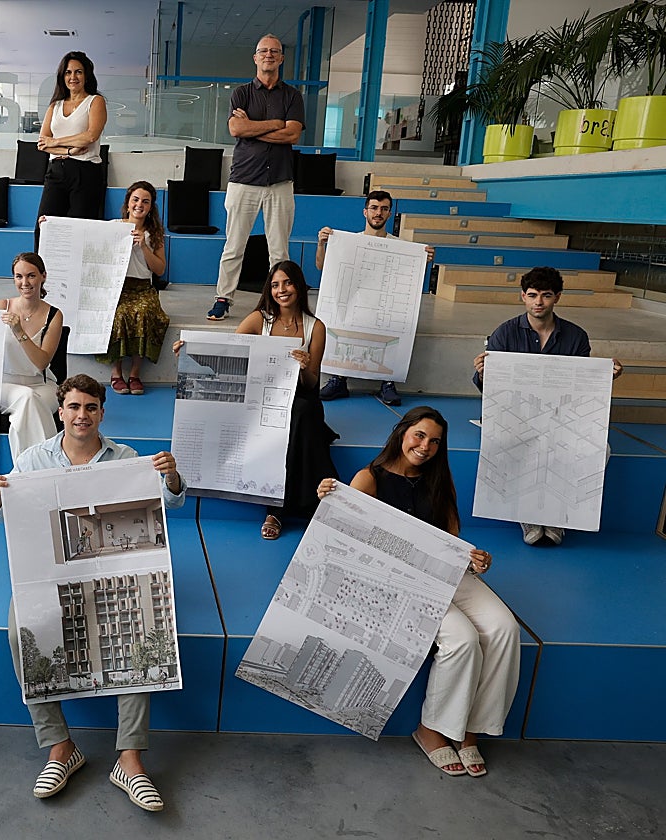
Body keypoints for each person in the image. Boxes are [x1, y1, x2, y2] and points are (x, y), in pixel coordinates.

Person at [0, 373, 187, 811]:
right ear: (61, 411)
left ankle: (129, 759)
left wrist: (170, 478)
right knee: (21, 632)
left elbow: (169, 502)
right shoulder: (34, 459)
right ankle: (59, 746)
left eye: (90, 408)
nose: (82, 415)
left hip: (114, 575)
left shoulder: (127, 457)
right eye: (74, 407)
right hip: (50, 577)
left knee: (144, 630)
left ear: (101, 412)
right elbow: (1, 518)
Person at [317, 406, 520, 778]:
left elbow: (453, 539)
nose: (425, 446)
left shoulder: (438, 480)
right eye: (419, 435)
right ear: (402, 432)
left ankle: (469, 729)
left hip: (446, 573)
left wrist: (475, 559)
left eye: (435, 441)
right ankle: (431, 730)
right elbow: (343, 534)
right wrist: (328, 495)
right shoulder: (369, 478)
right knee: (461, 637)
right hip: (400, 581)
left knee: (505, 628)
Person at [175, 260, 336, 540]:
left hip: (299, 399)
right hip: (261, 398)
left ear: (299, 285)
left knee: (301, 413)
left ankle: (278, 509)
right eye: (275, 285)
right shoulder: (259, 319)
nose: (281, 290)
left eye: (287, 283)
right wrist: (190, 350)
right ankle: (303, 505)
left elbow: (312, 383)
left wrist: (305, 365)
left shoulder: (316, 327)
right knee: (294, 419)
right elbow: (229, 354)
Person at [472, 266, 623, 547]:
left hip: (560, 417)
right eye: (532, 295)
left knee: (602, 450)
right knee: (511, 443)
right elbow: (488, 389)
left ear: (558, 297)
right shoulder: (504, 333)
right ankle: (528, 514)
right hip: (516, 416)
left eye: (546, 295)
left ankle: (555, 516)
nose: (538, 302)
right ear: (523, 297)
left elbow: (582, 388)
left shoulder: (576, 336)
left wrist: (605, 377)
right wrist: (483, 373)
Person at [206, 34, 304, 322]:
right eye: (263, 51)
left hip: (281, 182)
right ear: (255, 57)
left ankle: (281, 305)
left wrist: (254, 126)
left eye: (275, 51)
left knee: (279, 250)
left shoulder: (292, 96)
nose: (269, 55)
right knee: (234, 245)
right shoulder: (241, 93)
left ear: (282, 58)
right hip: (244, 180)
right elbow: (236, 129)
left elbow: (293, 133)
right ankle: (223, 299)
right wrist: (275, 124)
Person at [315, 190, 435, 406]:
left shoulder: (402, 247)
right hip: (354, 303)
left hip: (381, 306)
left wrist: (421, 262)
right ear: (365, 212)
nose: (378, 213)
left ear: (390, 214)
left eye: (384, 209)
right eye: (374, 208)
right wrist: (322, 244)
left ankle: (388, 381)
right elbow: (322, 267)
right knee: (339, 317)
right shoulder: (347, 241)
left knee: (397, 321)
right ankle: (339, 378)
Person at [0, 253, 64, 460]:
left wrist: (19, 331)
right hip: (2, 385)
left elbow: (41, 362)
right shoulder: (0, 307)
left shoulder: (54, 315)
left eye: (31, 276)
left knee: (29, 404)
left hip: (41, 384)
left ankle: (27, 469)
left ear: (43, 276)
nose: (25, 282)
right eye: (19, 276)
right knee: (27, 399)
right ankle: (48, 465)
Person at [99, 181, 168, 396]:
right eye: (135, 200)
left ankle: (135, 373)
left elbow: (159, 270)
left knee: (144, 313)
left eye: (145, 202)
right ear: (128, 204)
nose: (140, 205)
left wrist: (144, 247)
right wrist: (51, 223)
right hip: (116, 287)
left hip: (142, 288)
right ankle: (116, 371)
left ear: (150, 207)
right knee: (118, 314)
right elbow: (83, 233)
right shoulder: (113, 226)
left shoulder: (154, 233)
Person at [35, 51, 108, 234]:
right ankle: (41, 264)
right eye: (68, 72)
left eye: (78, 72)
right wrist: (68, 151)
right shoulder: (55, 105)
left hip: (85, 172)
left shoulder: (95, 101)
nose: (73, 77)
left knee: (79, 232)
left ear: (86, 75)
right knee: (45, 227)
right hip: (56, 171)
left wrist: (56, 142)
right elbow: (43, 143)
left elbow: (91, 136)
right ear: (62, 76)